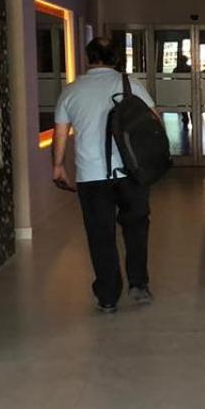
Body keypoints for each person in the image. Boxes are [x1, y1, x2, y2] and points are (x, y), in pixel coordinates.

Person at [52, 37, 158, 314]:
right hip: (131, 171)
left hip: (91, 176)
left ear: (89, 58)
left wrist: (58, 165)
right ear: (116, 58)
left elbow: (61, 132)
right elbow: (154, 121)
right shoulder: (130, 85)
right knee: (136, 228)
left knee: (100, 234)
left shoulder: (71, 91)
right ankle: (138, 284)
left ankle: (108, 296)